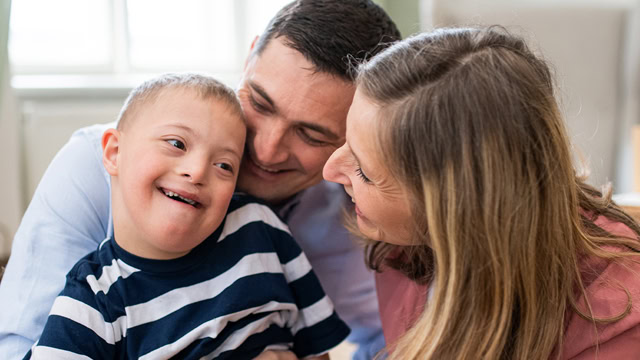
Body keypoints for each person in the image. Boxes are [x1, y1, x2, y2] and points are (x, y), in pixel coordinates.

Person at [0, 1, 401, 359]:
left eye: (311, 135)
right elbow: (20, 345)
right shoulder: (96, 169)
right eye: (259, 103)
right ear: (249, 59)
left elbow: (389, 340)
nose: (265, 149)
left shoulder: (353, 210)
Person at [322, 26, 640, 359]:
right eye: (346, 141)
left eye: (363, 171)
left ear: (454, 208)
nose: (330, 170)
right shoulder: (401, 240)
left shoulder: (616, 328)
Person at [24, 73, 349, 359]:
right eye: (177, 143)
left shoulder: (261, 229)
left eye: (224, 165)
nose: (196, 172)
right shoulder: (94, 300)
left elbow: (316, 347)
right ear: (114, 153)